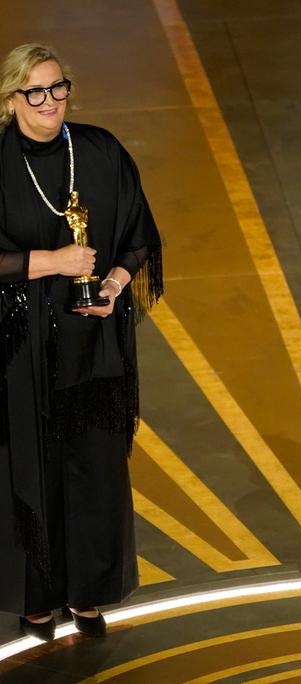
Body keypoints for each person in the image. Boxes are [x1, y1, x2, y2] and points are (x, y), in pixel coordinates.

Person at [0, 43, 163, 640]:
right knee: (30, 466)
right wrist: (53, 261)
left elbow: (139, 236)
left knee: (94, 467)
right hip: (18, 349)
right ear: (12, 98)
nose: (49, 102)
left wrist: (116, 284)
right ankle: (37, 598)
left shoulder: (98, 149)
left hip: (92, 343)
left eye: (58, 88)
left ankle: (88, 592)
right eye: (35, 92)